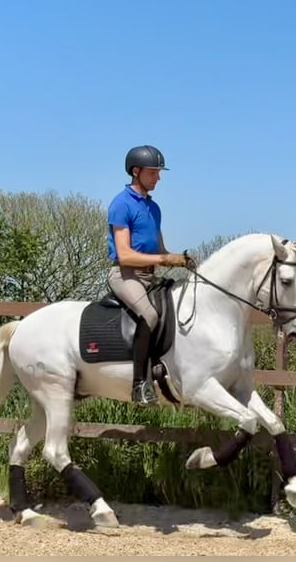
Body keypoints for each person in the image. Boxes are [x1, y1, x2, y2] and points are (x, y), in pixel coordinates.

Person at [106, 145, 190, 405]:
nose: (158, 178)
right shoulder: (121, 204)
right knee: (150, 315)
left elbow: (161, 251)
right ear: (136, 171)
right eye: (153, 172)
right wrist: (165, 259)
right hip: (125, 275)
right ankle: (139, 384)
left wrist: (181, 260)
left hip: (150, 276)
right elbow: (124, 255)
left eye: (158, 172)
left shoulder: (154, 209)